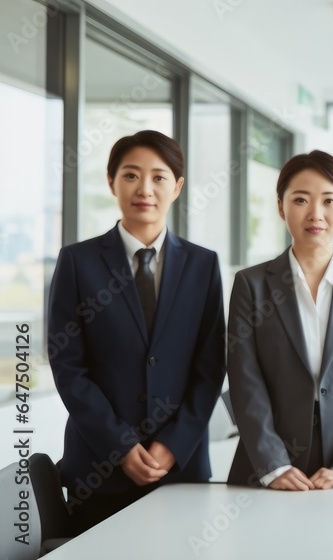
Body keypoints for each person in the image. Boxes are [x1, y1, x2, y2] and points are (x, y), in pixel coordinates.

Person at [47, 130, 226, 533]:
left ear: (177, 187)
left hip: (180, 470)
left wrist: (173, 444)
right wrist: (120, 446)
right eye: (131, 175)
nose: (145, 188)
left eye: (159, 177)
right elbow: (67, 366)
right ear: (111, 181)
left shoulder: (203, 265)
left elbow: (211, 367)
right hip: (97, 470)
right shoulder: (78, 261)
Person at [227, 150, 333, 490]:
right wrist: (273, 465)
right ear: (280, 206)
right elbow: (244, 380)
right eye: (300, 199)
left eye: (329, 200)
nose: (316, 213)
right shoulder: (250, 285)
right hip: (265, 468)